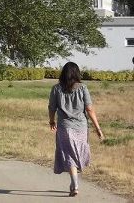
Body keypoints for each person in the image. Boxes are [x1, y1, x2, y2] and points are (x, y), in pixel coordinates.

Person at [49, 62, 104, 197]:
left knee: (69, 154)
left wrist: (51, 121)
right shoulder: (83, 88)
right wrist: (98, 128)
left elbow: (52, 107)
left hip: (65, 127)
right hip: (81, 127)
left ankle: (74, 184)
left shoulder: (56, 89)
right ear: (77, 73)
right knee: (77, 153)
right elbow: (89, 109)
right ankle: (75, 183)